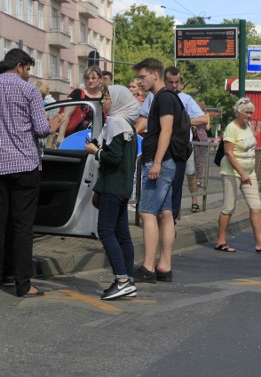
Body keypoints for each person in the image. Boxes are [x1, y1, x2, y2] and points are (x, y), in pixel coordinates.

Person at [0, 48, 62, 297]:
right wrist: (51, 127)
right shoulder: (29, 91)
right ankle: (22, 284)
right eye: (28, 70)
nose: (29, 76)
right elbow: (41, 129)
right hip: (25, 166)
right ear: (19, 66)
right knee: (22, 227)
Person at [132, 57, 187, 284]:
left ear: (156, 74)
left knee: (147, 212)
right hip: (168, 161)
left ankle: (147, 267)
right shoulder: (167, 97)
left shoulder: (163, 98)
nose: (140, 81)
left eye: (142, 76)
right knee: (165, 214)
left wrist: (156, 162)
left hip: (161, 162)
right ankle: (164, 266)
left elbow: (165, 131)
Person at [84, 85, 140, 300]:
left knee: (106, 232)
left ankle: (122, 280)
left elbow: (113, 157)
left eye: (106, 97)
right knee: (122, 235)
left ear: (117, 101)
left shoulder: (115, 122)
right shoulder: (128, 125)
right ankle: (128, 280)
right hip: (123, 186)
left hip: (112, 186)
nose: (102, 101)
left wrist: (95, 151)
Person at [136, 66, 208, 218]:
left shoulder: (185, 99)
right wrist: (131, 133)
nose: (174, 85)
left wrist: (181, 121)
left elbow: (204, 119)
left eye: (177, 82)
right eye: (171, 82)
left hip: (178, 150)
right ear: (164, 80)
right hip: (160, 150)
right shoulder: (153, 96)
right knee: (163, 202)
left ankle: (171, 220)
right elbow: (144, 118)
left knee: (174, 190)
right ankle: (165, 223)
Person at [214, 97, 261, 253]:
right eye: (247, 113)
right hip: (232, 172)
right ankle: (220, 241)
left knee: (256, 206)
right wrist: (242, 172)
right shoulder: (231, 128)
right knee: (229, 207)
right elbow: (229, 153)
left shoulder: (247, 125)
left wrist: (248, 171)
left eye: (251, 113)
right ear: (238, 112)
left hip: (249, 172)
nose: (249, 116)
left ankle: (260, 242)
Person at [56, 65, 105, 143]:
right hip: (77, 137)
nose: (90, 81)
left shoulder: (104, 97)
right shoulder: (78, 93)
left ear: (101, 79)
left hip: (99, 138)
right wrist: (61, 135)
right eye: (87, 78)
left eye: (93, 78)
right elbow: (66, 115)